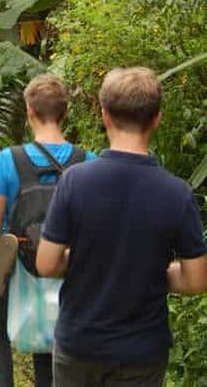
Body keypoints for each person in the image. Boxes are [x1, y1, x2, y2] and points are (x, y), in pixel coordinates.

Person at [37, 67, 207, 387]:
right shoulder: (177, 193)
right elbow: (197, 279)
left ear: (105, 115)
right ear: (156, 119)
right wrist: (147, 270)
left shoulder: (75, 181)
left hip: (79, 344)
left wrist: (89, 261)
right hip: (141, 352)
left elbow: (46, 264)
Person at [0, 74, 96, 387]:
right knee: (52, 338)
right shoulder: (88, 162)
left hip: (11, 263)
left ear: (29, 111)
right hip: (65, 265)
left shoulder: (9, 160)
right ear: (65, 112)